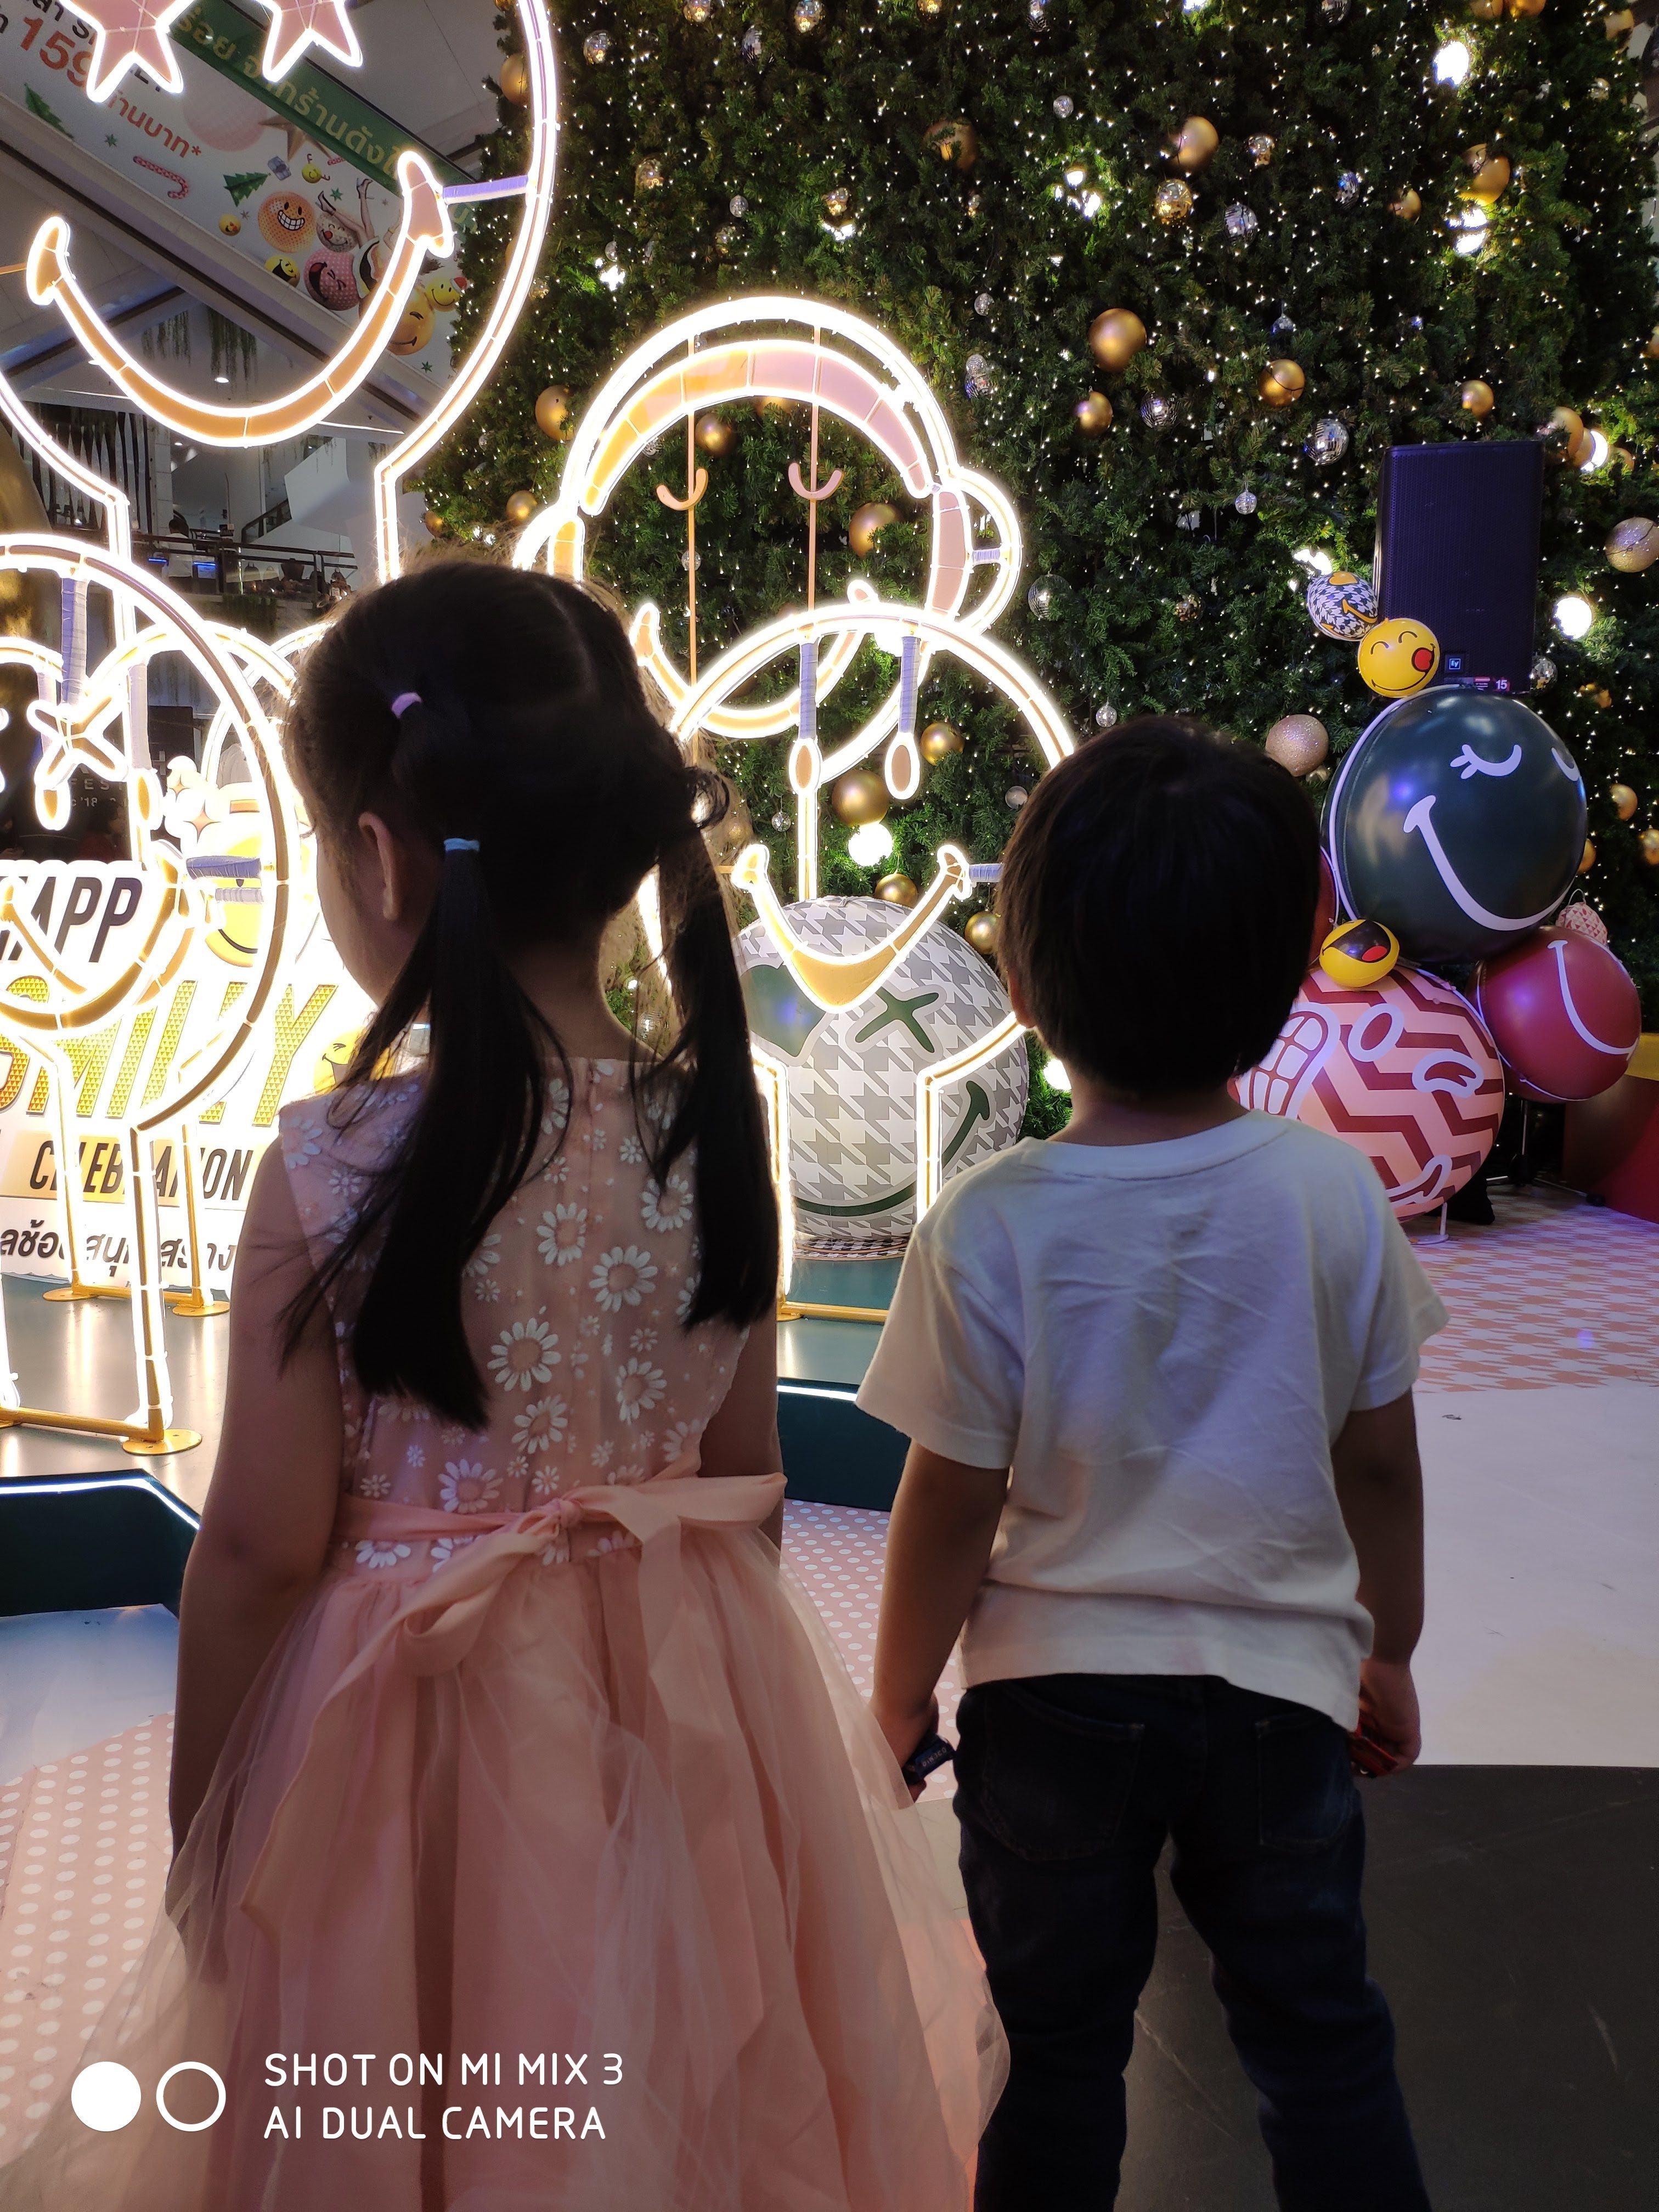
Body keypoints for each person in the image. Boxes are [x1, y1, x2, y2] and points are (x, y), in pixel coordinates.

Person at [0, 563, 1001, 2211]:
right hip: (681, 1701)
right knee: (676, 2091)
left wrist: (208, 1834)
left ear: (378, 857)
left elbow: (255, 1553)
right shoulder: (712, 1134)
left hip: (409, 1743)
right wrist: (736, 1757)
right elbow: (744, 1485)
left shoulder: (333, 1164)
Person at [860, 719, 1442, 2212]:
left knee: (1051, 2055)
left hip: (1051, 1707)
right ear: (1293, 967)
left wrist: (899, 1687)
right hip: (1282, 1703)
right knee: (1320, 2040)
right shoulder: (1336, 1197)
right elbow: (1381, 1465)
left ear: (1019, 977)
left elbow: (950, 1497)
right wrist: (1386, 1647)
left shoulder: (988, 1222)